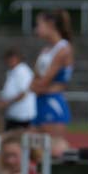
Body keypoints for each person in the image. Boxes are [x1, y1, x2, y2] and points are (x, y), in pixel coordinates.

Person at [31, 9, 74, 141]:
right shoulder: (46, 50)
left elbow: (43, 82)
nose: (36, 30)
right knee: (34, 147)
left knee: (54, 147)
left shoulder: (63, 49)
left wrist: (37, 85)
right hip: (40, 101)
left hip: (52, 101)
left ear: (50, 24)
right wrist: (36, 85)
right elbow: (33, 82)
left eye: (39, 25)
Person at [0, 47, 36, 131]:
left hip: (22, 115)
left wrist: (6, 103)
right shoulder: (13, 71)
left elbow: (23, 93)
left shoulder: (22, 71)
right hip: (14, 114)